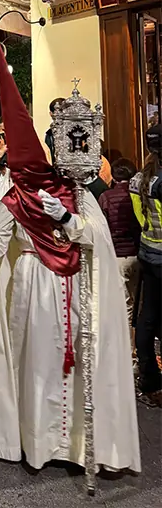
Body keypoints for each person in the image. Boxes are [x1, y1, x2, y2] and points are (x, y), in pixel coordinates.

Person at [0, 37, 140, 476]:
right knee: (37, 368)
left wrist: (68, 219)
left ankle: (77, 447)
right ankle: (39, 443)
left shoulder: (74, 191)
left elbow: (96, 237)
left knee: (77, 368)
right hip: (32, 289)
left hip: (75, 291)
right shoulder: (15, 198)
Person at [130, 123, 162, 407]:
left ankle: (149, 379)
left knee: (147, 317)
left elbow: (140, 218)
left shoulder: (139, 178)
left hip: (147, 252)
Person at [98, 158, 141, 327]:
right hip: (138, 253)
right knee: (140, 301)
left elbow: (102, 228)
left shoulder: (105, 197)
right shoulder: (138, 195)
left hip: (116, 255)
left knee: (124, 304)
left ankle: (128, 340)